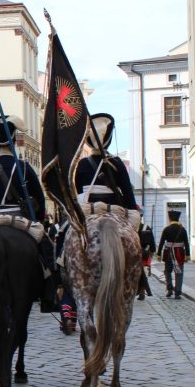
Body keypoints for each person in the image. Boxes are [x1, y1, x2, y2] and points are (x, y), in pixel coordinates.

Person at [0, 115, 53, 311]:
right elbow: (40, 201)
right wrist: (40, 220)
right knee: (47, 250)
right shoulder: (25, 168)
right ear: (14, 140)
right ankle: (48, 294)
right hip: (20, 221)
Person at [75, 112, 149, 301]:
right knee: (134, 239)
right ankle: (139, 277)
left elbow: (77, 192)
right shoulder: (116, 163)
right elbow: (129, 197)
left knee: (67, 236)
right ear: (108, 138)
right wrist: (131, 209)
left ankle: (60, 272)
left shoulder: (82, 164)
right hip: (115, 211)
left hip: (88, 211)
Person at [158, 209, 190, 299]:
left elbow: (161, 242)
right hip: (179, 253)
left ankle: (169, 289)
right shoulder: (182, 229)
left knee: (167, 271)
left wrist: (158, 253)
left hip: (169, 253)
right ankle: (178, 292)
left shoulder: (166, 229)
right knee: (179, 272)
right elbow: (186, 243)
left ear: (170, 219)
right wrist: (188, 254)